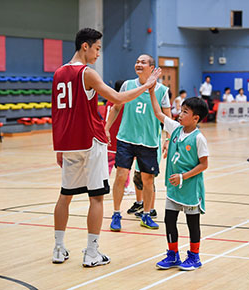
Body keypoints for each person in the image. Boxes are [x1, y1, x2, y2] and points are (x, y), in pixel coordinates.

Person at [51, 28, 161, 267]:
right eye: (97, 48)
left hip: (68, 143)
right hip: (90, 141)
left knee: (65, 196)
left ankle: (58, 248)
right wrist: (148, 85)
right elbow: (117, 99)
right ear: (85, 47)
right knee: (97, 198)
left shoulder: (59, 73)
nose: (99, 53)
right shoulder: (87, 73)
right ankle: (92, 253)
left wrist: (59, 145)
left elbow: (58, 113)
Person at [105, 54, 171, 232]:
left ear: (152, 68)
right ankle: (116, 213)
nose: (138, 64)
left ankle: (147, 215)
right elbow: (116, 106)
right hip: (126, 138)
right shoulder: (128, 85)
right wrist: (106, 127)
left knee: (147, 180)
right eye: (137, 62)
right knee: (120, 176)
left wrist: (168, 140)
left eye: (143, 62)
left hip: (149, 142)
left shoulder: (162, 91)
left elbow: (167, 118)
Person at [149, 92, 209, 271]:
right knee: (169, 220)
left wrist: (183, 176)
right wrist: (151, 92)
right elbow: (158, 113)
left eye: (185, 112)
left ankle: (194, 256)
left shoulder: (199, 138)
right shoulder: (175, 128)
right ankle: (173, 254)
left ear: (196, 118)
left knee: (192, 224)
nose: (180, 114)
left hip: (190, 188)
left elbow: (204, 165)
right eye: (181, 111)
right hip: (174, 188)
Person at [104, 80, 134, 195]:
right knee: (125, 163)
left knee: (108, 162)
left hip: (108, 133)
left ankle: (103, 184)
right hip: (120, 135)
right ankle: (125, 187)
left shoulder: (109, 101)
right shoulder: (123, 102)